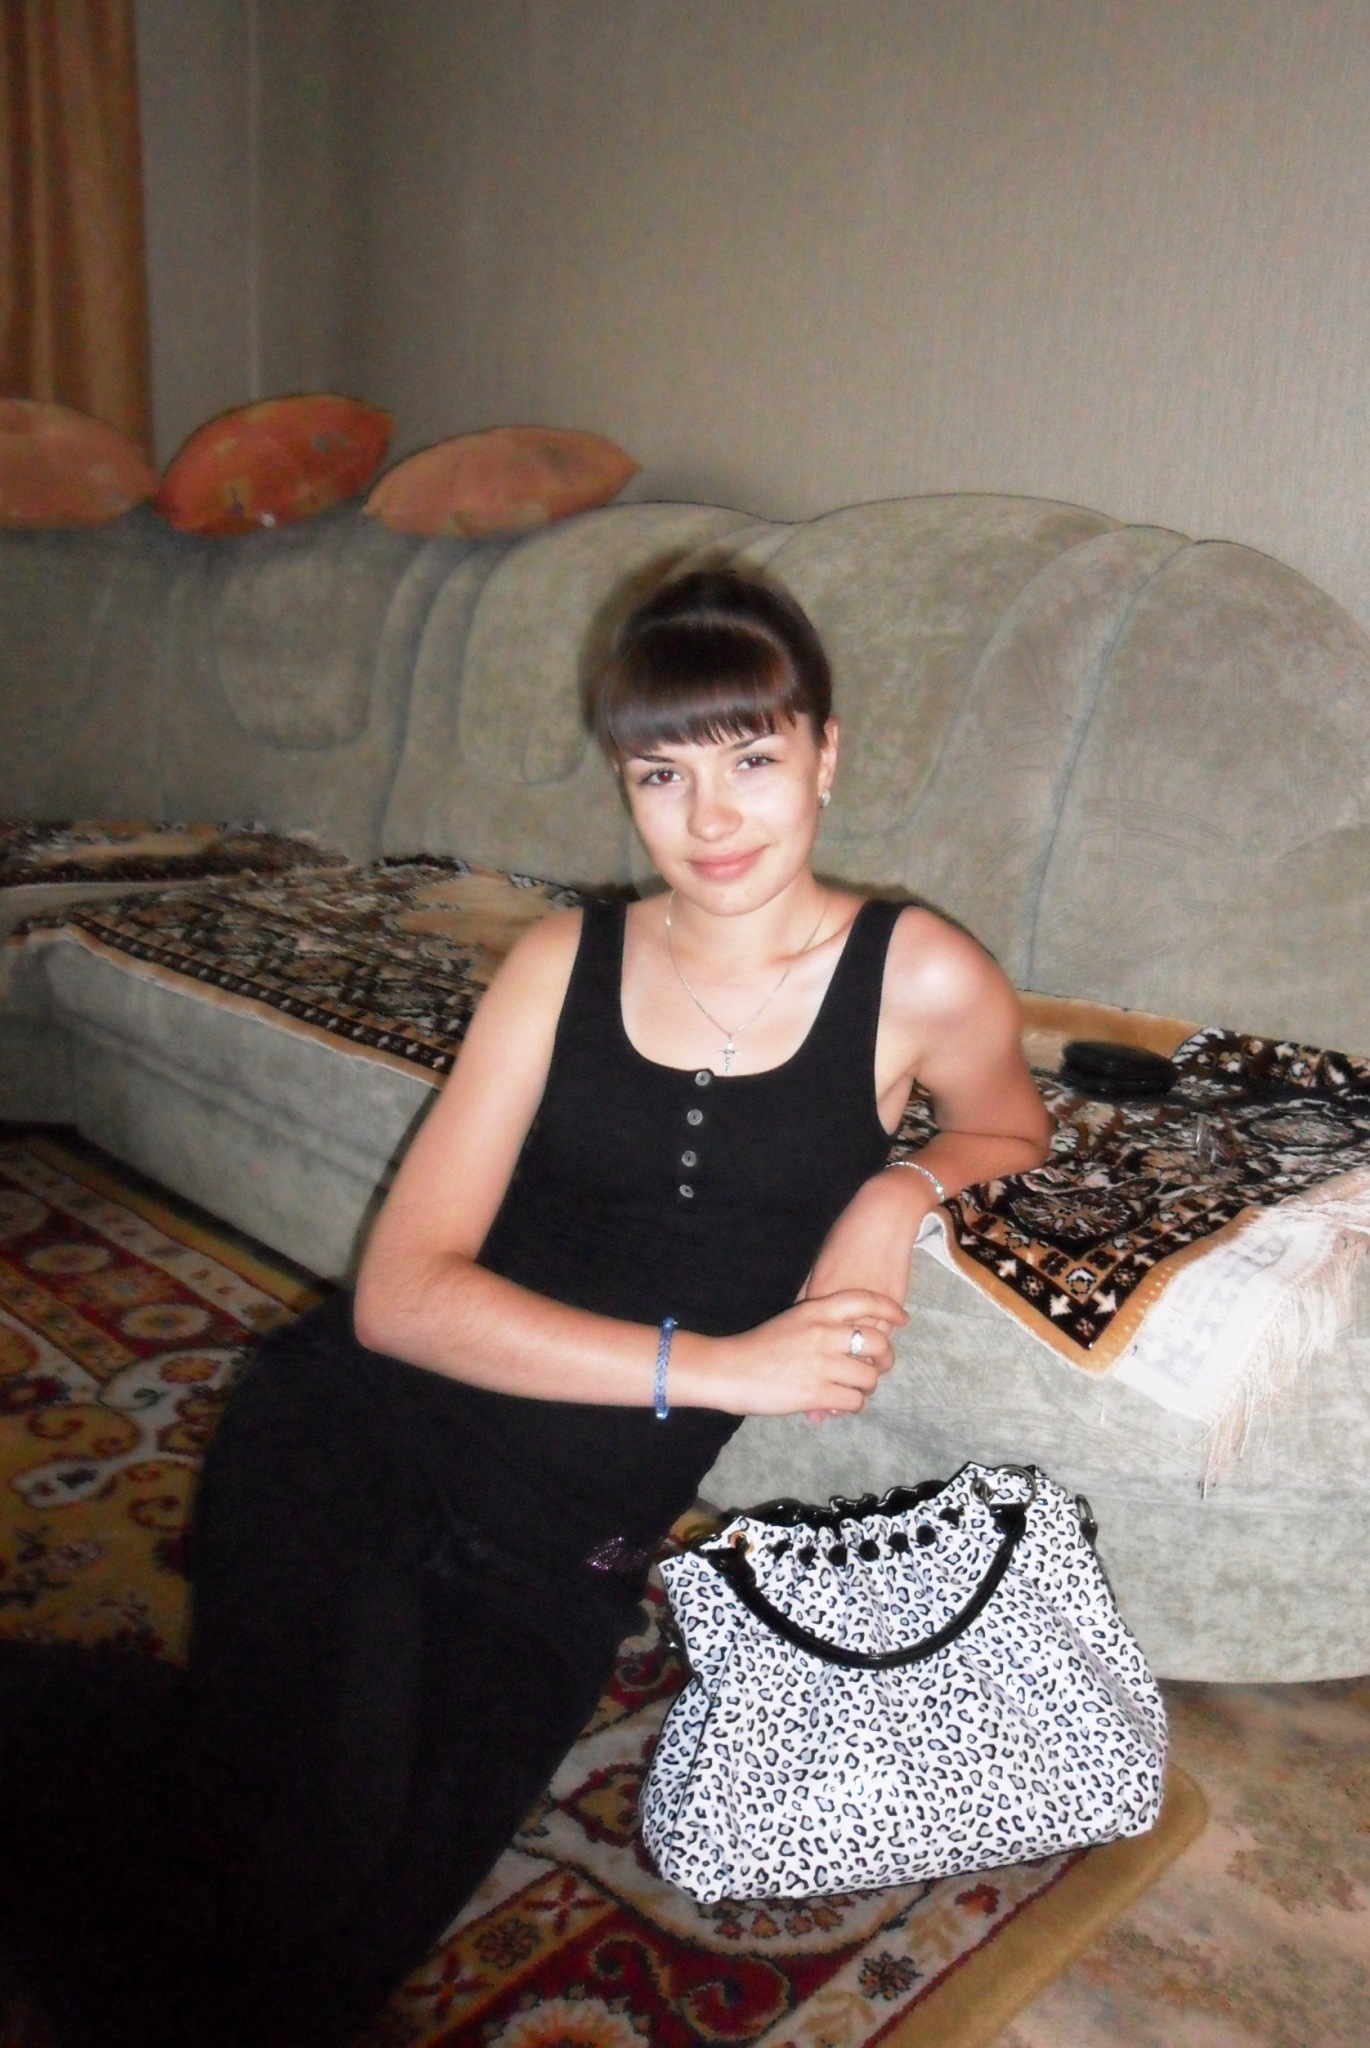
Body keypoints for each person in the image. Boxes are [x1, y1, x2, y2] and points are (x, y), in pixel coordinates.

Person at [0, 569, 1051, 2047]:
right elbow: (400, 1301)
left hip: (563, 1554)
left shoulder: (920, 973)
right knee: (269, 1871)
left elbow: (1007, 1127)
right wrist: (722, 1366)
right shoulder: (563, 965)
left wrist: (893, 1195)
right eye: (661, 773)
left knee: (327, 1961)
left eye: (752, 758)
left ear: (828, 754)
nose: (711, 817)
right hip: (365, 1437)